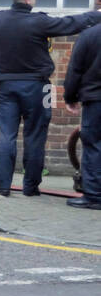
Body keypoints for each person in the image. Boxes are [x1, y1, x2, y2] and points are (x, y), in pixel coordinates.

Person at [0, 0, 101, 196]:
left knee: (7, 134)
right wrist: (96, 15)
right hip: (41, 87)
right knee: (37, 135)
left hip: (5, 86)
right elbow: (71, 23)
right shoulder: (40, 22)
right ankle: (31, 187)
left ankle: (2, 186)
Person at [64, 22, 101, 210]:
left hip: (96, 99)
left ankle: (94, 196)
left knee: (93, 145)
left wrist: (70, 97)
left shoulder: (90, 35)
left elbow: (75, 69)